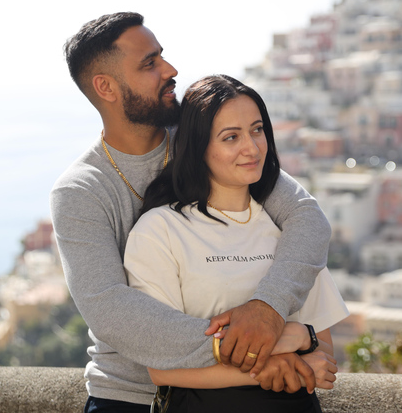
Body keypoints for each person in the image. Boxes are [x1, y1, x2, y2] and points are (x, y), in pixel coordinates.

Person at [50, 12, 332, 412]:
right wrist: (256, 348)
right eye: (150, 63)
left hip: (229, 396)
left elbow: (306, 218)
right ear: (105, 87)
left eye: (161, 56)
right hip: (127, 399)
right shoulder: (81, 190)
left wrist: (267, 309)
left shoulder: (205, 142)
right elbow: (112, 311)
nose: (170, 69)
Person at [123, 75, 349, 412]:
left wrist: (301, 335)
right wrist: (273, 358)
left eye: (257, 130)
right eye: (231, 137)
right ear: (199, 149)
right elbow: (161, 365)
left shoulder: (290, 233)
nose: (252, 147)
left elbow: (325, 356)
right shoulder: (161, 230)